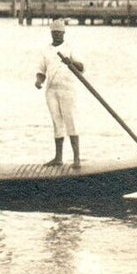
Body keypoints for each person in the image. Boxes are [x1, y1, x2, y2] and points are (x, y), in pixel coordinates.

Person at [36, 18, 85, 168]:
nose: (57, 35)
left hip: (67, 89)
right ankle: (58, 158)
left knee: (71, 121)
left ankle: (76, 158)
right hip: (51, 90)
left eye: (59, 33)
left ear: (64, 33)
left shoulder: (70, 48)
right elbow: (41, 70)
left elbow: (81, 68)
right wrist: (39, 81)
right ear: (51, 33)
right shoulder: (45, 50)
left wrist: (71, 62)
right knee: (57, 123)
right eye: (54, 33)